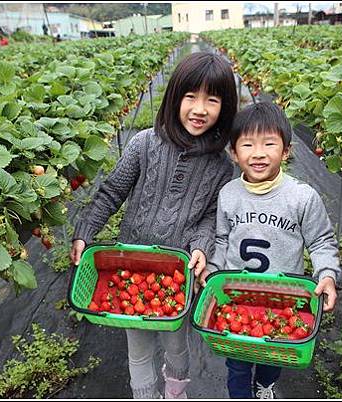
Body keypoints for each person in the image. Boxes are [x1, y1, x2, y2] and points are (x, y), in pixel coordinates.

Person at [69, 51, 238, 399]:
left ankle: (175, 393)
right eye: (191, 96)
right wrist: (85, 232)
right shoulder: (144, 143)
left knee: (177, 344)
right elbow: (111, 191)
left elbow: (210, 216)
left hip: (178, 273)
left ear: (225, 108)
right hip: (131, 266)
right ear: (175, 97)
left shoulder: (221, 167)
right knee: (139, 349)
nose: (199, 108)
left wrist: (201, 248)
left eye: (212, 99)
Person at [195, 101, 341, 399]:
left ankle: (265, 386)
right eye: (247, 145)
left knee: (274, 356)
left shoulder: (302, 198)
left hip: (285, 300)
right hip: (238, 296)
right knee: (237, 362)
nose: (258, 153)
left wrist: (327, 273)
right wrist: (211, 269)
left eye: (269, 144)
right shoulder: (229, 194)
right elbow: (222, 240)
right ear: (234, 153)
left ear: (286, 150)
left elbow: (321, 241)